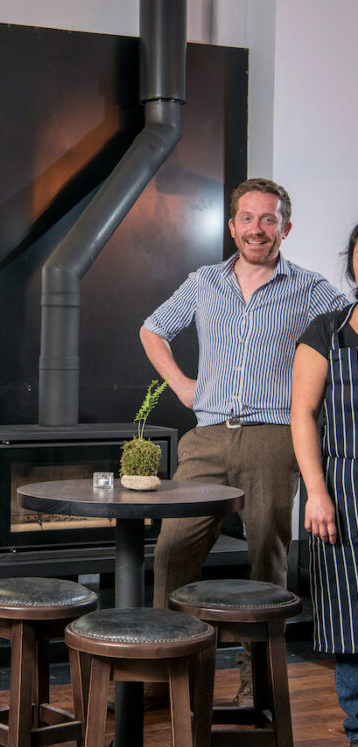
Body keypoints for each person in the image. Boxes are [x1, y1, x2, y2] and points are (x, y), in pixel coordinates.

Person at [140, 177, 347, 706]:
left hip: (275, 438)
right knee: (172, 551)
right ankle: (167, 676)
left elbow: (348, 331)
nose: (258, 228)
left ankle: (257, 685)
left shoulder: (313, 288)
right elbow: (153, 329)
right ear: (232, 226)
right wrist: (184, 386)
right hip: (206, 438)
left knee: (267, 562)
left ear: (286, 228)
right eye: (248, 219)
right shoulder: (204, 281)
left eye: (269, 219)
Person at [291, 224, 358, 747]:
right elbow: (303, 415)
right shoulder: (326, 332)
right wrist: (316, 491)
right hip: (344, 488)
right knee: (349, 617)